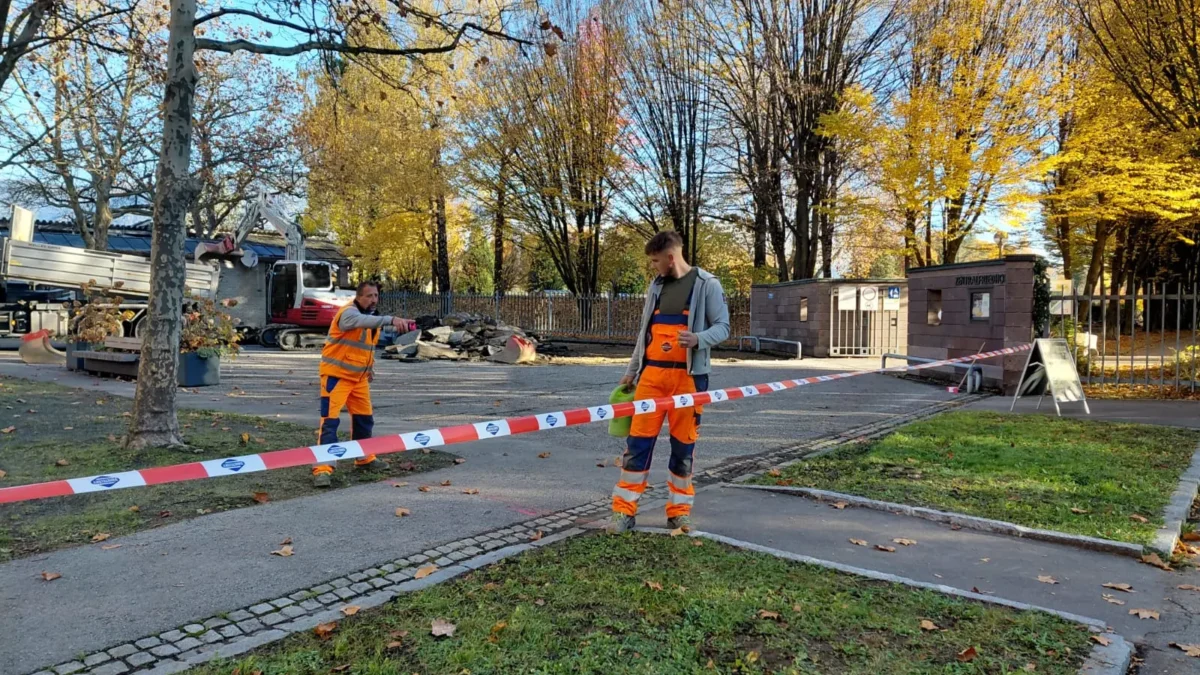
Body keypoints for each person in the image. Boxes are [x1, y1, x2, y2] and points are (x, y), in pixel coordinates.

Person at [610, 231, 730, 533]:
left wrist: (699, 339)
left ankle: (679, 512)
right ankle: (623, 512)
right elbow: (644, 332)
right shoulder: (656, 286)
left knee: (683, 448)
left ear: (671, 258)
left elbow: (724, 327)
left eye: (655, 261)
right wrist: (632, 369)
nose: (653, 267)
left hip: (689, 380)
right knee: (637, 444)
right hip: (651, 377)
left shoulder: (708, 285)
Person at [312, 280, 416, 487]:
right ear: (358, 296)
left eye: (376, 296)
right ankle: (322, 469)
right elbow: (360, 322)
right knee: (330, 422)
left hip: (358, 380)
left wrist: (370, 368)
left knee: (364, 420)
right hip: (336, 378)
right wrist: (392, 319)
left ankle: (364, 458)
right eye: (369, 296)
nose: (373, 299)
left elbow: (364, 348)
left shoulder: (370, 318)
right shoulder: (348, 313)